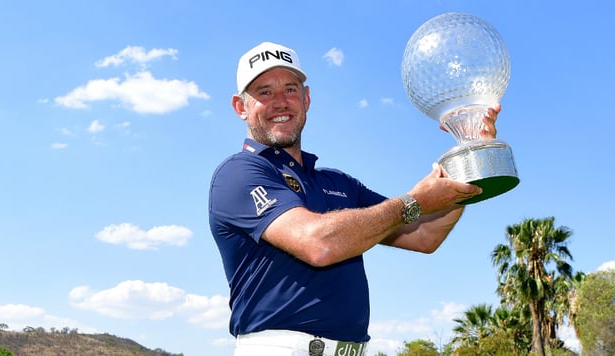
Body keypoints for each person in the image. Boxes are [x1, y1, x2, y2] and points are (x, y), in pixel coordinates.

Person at [208, 41, 500, 356]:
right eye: (264, 92)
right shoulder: (238, 173)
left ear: (306, 99)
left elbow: (424, 235)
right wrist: (412, 202)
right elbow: (318, 244)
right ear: (241, 107)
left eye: (290, 89)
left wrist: (467, 159)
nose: (280, 102)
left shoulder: (340, 184)